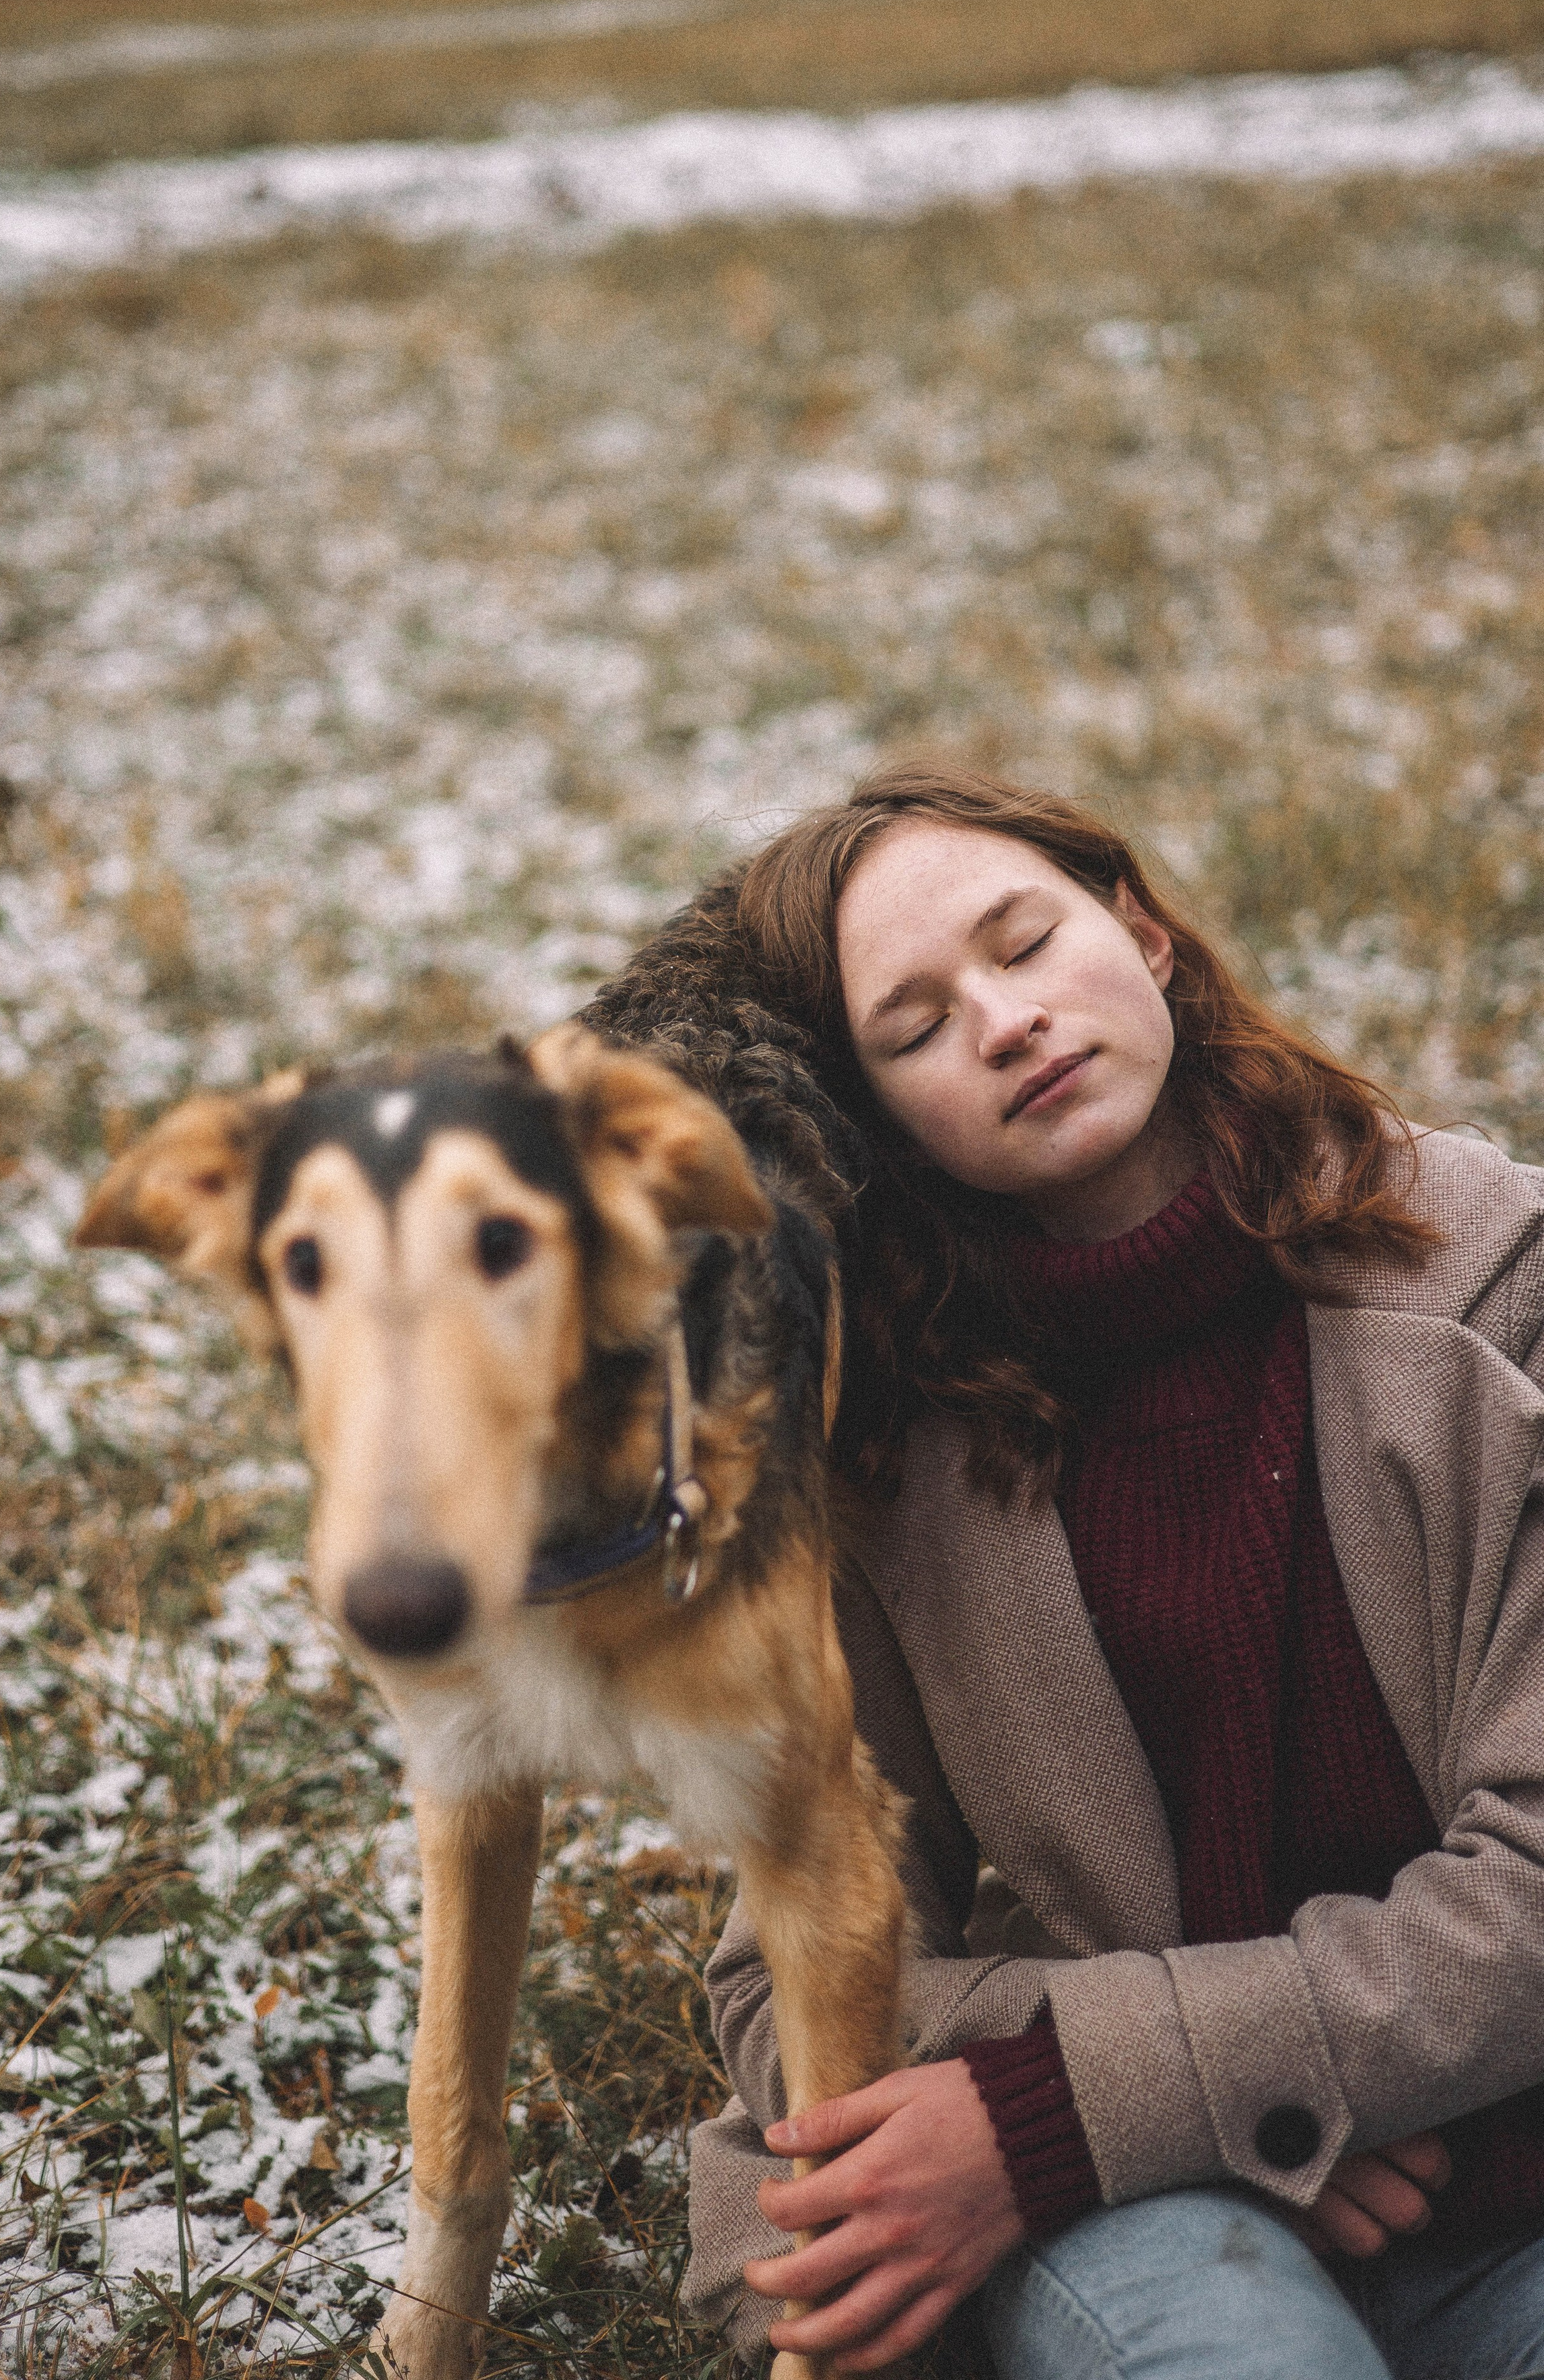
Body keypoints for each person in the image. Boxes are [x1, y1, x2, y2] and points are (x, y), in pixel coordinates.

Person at [584, 760, 1544, 2380]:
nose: (1003, 1020)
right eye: (911, 1027)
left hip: (1496, 2175)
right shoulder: (875, 1447)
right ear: (868, 1124)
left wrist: (1100, 2105)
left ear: (1145, 933)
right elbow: (788, 1980)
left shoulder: (1494, 1296)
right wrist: (1169, 2132)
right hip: (1112, 2227)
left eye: (1023, 941)